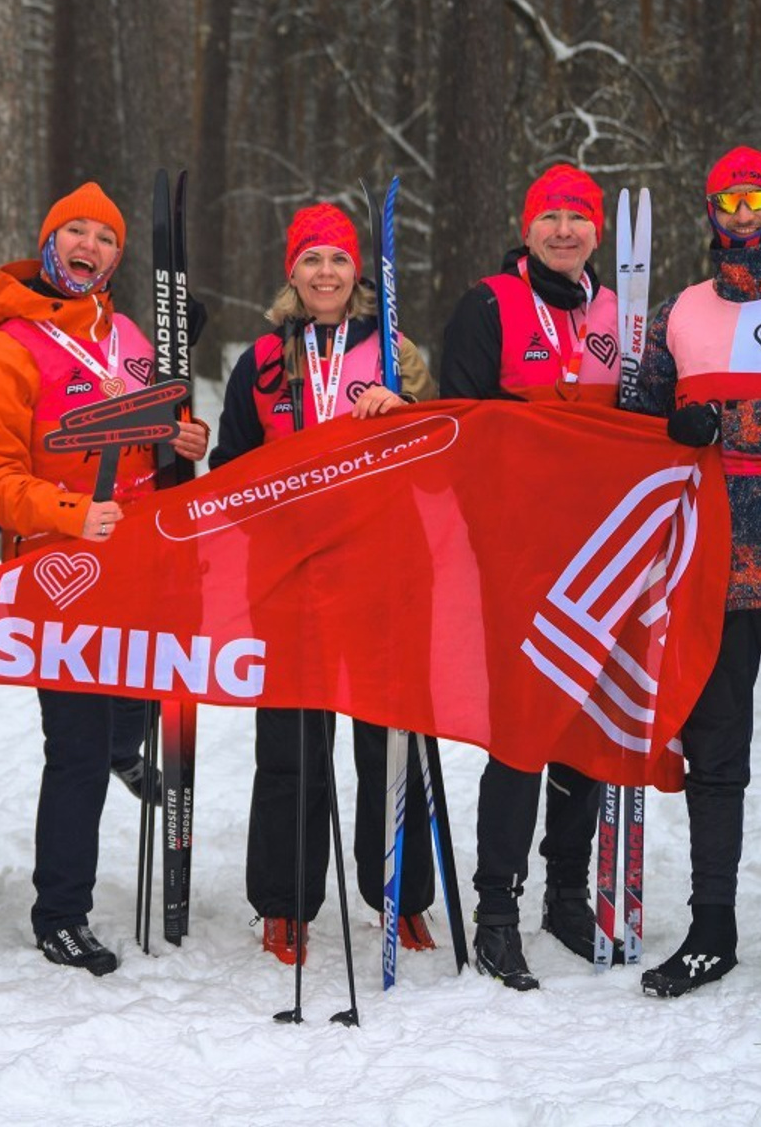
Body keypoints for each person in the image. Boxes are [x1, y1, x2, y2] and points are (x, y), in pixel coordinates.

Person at [0, 182, 209, 975]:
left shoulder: (133, 337)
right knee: (74, 747)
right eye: (74, 232)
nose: (90, 247)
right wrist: (71, 511)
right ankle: (60, 913)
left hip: (140, 563)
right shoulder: (9, 349)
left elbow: (154, 435)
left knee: (123, 725)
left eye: (105, 238)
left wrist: (182, 440)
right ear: (48, 244)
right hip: (60, 565)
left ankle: (120, 746)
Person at [210, 202, 438, 964]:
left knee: (390, 740)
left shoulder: (393, 351)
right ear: (292, 272)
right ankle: (283, 902)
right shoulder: (265, 361)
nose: (326, 274)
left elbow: (441, 458)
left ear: (357, 272)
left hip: (381, 573)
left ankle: (399, 895)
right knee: (292, 746)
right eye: (312, 260)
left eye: (338, 260)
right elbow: (230, 469)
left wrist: (403, 414)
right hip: (289, 578)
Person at [440, 163, 620, 990]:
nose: (562, 231)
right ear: (528, 226)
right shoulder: (489, 304)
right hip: (514, 550)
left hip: (599, 556)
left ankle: (566, 893)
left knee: (581, 724)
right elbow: (462, 425)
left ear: (597, 232)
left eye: (576, 219)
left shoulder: (620, 312)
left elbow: (643, 414)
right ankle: (497, 910)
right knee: (520, 731)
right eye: (549, 217)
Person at [634, 145, 761, 997]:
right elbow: (639, 425)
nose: (743, 215)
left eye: (757, 198)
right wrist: (676, 429)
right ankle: (711, 931)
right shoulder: (680, 311)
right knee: (717, 762)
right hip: (715, 574)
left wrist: (735, 423)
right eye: (730, 200)